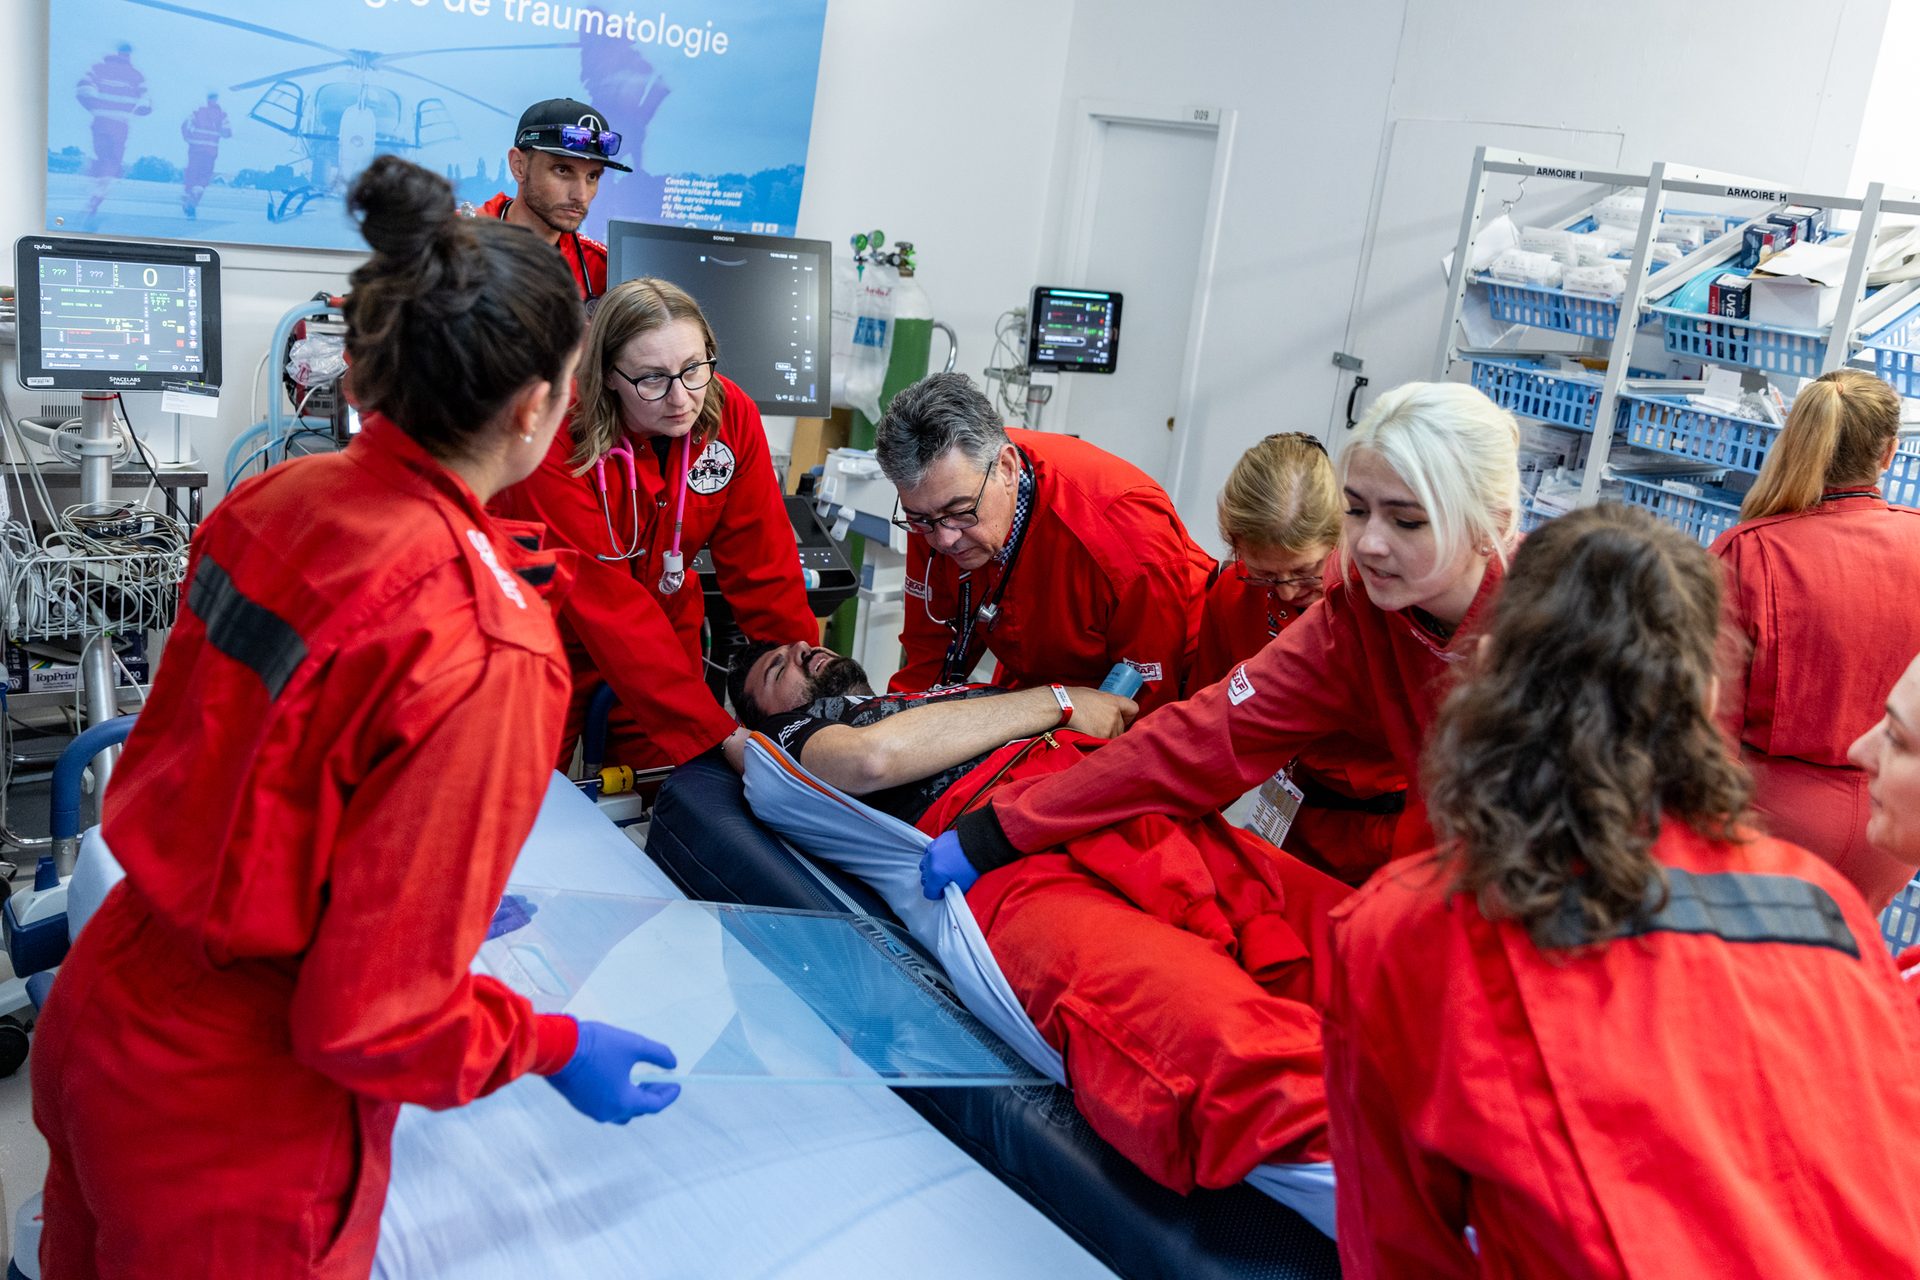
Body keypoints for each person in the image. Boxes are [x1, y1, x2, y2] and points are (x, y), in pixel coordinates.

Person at [30, 157, 679, 1280]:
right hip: (232, 1114)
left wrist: (406, 889)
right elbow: (367, 1023)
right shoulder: (488, 644)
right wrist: (548, 1041)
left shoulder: (274, 500)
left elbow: (273, 752)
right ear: (535, 407)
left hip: (109, 1008)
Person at [1324, 502, 1920, 1278]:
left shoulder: (1409, 928)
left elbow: (1396, 1246)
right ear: (1708, 700)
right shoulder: (1821, 903)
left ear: (1491, 671)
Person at [727, 637, 1350, 1197]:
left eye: (800, 642)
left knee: (1359, 952)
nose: (805, 649)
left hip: (1110, 803)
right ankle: (1414, 1195)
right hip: (998, 861)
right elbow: (870, 760)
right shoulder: (796, 736)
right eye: (778, 668)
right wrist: (1058, 700)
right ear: (768, 717)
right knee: (1204, 1031)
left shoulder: (940, 693)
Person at [927, 381, 1521, 895]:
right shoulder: (1355, 612)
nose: (1368, 544)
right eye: (1357, 512)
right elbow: (1199, 736)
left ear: (1490, 523)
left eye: (1407, 520)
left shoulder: (1547, 636)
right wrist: (1004, 828)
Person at [493, 277, 816, 770]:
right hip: (544, 637)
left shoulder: (730, 417)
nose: (681, 398)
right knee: (527, 798)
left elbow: (765, 569)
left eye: (693, 368)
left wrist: (807, 698)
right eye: (651, 378)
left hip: (662, 638)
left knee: (667, 787)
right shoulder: (553, 435)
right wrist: (720, 732)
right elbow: (606, 603)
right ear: (607, 376)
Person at [877, 372, 1213, 713]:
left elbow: (1145, 706)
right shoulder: (935, 504)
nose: (944, 539)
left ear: (1006, 469)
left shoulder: (1124, 531)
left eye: (960, 512)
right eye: (920, 519)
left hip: (1163, 675)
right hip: (1041, 670)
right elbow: (929, 656)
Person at [1711, 368, 1920, 911]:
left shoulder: (1750, 551)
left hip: (1772, 821)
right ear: (1889, 453)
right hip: (1892, 828)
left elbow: (1705, 723)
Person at [1196, 432, 1407, 884]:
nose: (1288, 591)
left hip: (1389, 830)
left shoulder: (1384, 603)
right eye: (1266, 576)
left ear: (1342, 539)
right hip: (1297, 812)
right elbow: (1208, 723)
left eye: (1306, 573)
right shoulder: (1231, 595)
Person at [477, 97, 630, 307]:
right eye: (563, 170)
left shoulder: (603, 269)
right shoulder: (452, 242)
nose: (581, 196)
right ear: (518, 166)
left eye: (592, 176)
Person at [76, 41, 152, 228]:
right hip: (120, 125)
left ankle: (94, 184)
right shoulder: (136, 75)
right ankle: (98, 192)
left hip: (100, 122)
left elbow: (82, 89)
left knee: (101, 156)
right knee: (112, 162)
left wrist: (95, 108)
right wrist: (133, 112)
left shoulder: (98, 68)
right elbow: (146, 103)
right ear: (129, 54)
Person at [178, 91, 231, 219]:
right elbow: (227, 133)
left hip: (195, 149)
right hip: (210, 151)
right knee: (203, 177)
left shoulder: (197, 112)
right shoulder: (222, 115)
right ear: (216, 99)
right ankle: (193, 200)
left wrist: (189, 138)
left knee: (192, 174)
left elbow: (185, 126)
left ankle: (189, 197)